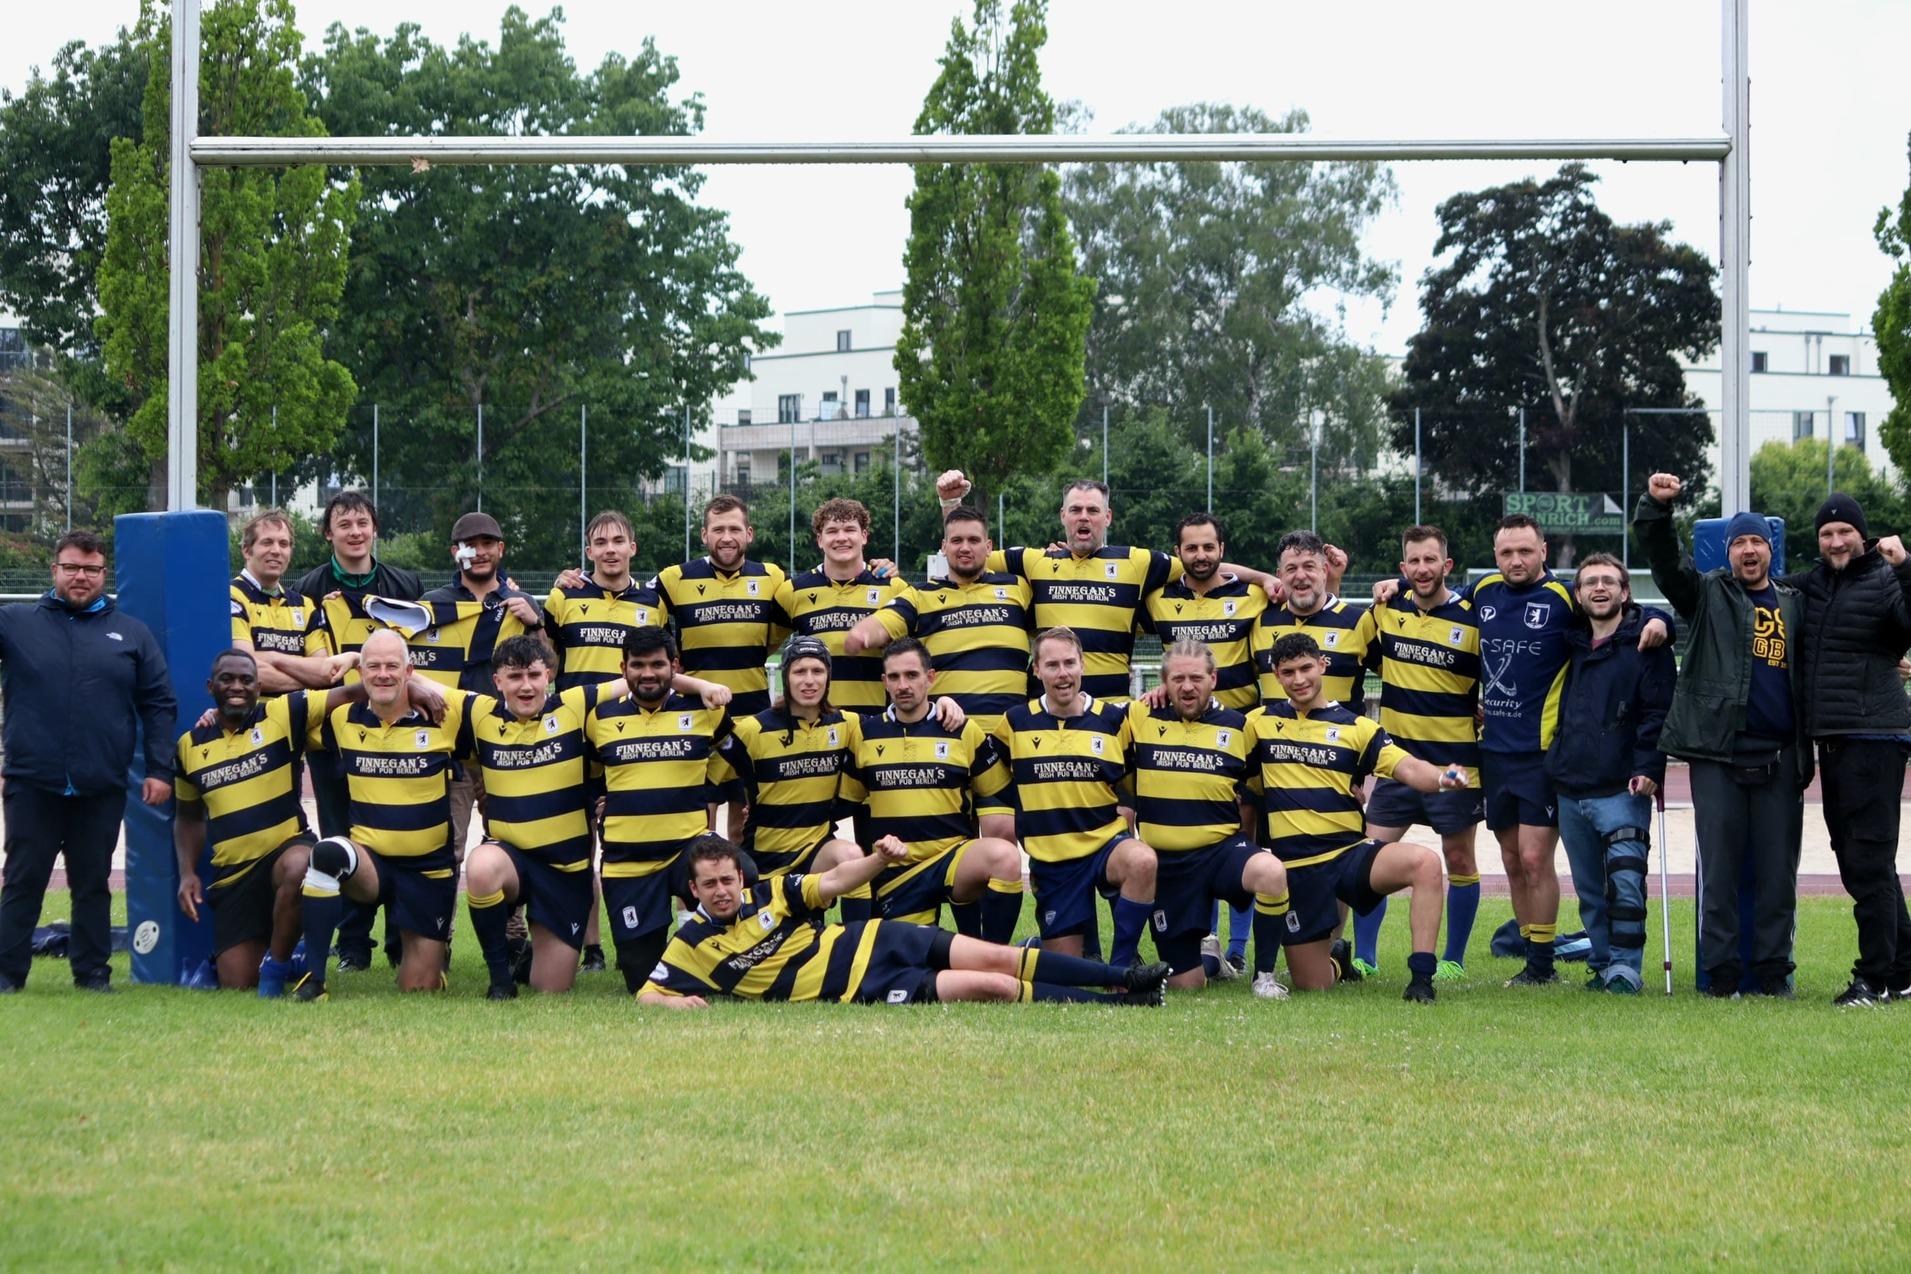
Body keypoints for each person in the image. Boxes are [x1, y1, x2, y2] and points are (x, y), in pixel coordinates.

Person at [1376, 514, 1669, 986]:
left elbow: (1614, 612)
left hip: (1540, 755)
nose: (1516, 560)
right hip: (1492, 752)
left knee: (1535, 859)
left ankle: (1542, 965)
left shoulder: (1561, 599)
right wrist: (1393, 584)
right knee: (1511, 859)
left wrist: (1659, 618)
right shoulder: (1483, 593)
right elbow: (1433, 597)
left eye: (1525, 552)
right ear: (1495, 556)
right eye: (1507, 552)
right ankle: (1535, 956)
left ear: (1543, 552)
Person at [636, 834, 1170, 1007]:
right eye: (710, 884)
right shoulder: (689, 943)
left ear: (737, 876)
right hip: (866, 985)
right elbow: (646, 995)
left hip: (878, 937)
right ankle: (1116, 1004)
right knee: (994, 985)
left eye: (728, 879)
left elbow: (838, 883)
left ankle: (1125, 979)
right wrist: (679, 1004)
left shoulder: (770, 891)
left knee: (998, 954)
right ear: (694, 890)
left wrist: (879, 859)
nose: (723, 891)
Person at [1635, 476, 1809, 997]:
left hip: (1781, 758)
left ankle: (1774, 973)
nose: (1749, 550)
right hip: (1717, 756)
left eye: (1757, 541)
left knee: (1778, 875)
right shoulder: (1708, 594)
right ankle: (1722, 975)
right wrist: (1656, 509)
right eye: (1739, 542)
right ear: (1728, 552)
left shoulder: (1797, 602)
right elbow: (1666, 562)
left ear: (1770, 549)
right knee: (1720, 874)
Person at [1243, 633, 1468, 1003]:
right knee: (1313, 984)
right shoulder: (1258, 723)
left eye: (1305, 668)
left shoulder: (1357, 728)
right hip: (1296, 869)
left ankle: (1422, 979)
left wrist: (1443, 778)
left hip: (1349, 855)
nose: (1299, 679)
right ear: (1276, 676)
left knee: (1424, 862)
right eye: (1288, 672)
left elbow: (1407, 767)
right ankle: (1337, 960)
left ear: (1322, 666)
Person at [0, 531, 176, 994]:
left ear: (104, 574)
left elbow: (158, 703)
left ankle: (93, 974)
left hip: (100, 783)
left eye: (91, 569)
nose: (82, 577)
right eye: (72, 567)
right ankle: (6, 974)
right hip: (31, 781)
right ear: (54, 570)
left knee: (92, 883)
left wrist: (160, 769)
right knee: (23, 879)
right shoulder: (15, 623)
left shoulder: (132, 634)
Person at [1777, 493, 1911, 1005]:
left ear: (1863, 535)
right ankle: (1901, 970)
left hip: (1875, 738)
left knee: (1866, 861)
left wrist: (1906, 568)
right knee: (1859, 859)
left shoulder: (1885, 577)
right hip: (1832, 742)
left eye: (1844, 533)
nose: (1835, 542)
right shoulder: (1811, 586)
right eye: (1826, 535)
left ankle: (1873, 979)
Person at [460, 635, 634, 999]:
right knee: (480, 866)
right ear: (498, 682)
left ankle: (526, 960)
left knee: (551, 988)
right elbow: (408, 679)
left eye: (534, 675)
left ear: (549, 676)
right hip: (513, 859)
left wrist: (701, 685)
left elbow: (638, 677)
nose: (525, 685)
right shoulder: (480, 713)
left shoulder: (573, 705)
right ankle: (500, 979)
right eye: (515, 676)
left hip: (565, 870)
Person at [173, 649, 357, 995]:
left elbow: (349, 693)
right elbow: (188, 816)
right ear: (210, 686)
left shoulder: (283, 713)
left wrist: (363, 662)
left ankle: (276, 968)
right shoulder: (188, 746)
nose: (237, 686)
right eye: (227, 679)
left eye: (246, 679)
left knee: (302, 864)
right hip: (234, 875)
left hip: (284, 851)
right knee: (238, 982)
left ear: (260, 687)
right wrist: (187, 872)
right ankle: (290, 957)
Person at [290, 629, 460, 1001]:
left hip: (428, 869)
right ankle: (313, 979)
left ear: (410, 671)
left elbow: (497, 722)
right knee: (328, 852)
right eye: (373, 666)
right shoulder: (339, 720)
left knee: (419, 987)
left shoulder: (444, 715)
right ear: (362, 673)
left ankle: (432, 958)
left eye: (392, 666)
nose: (383, 674)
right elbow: (271, 719)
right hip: (371, 864)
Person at [293, 490, 422, 971]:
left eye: (362, 522)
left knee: (397, 832)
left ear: (374, 529)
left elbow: (423, 652)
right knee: (341, 834)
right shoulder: (308, 587)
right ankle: (352, 944)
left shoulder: (404, 583)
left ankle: (399, 940)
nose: (354, 531)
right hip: (333, 736)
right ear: (328, 533)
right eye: (343, 524)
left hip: (397, 732)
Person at [1355, 525, 1484, 982]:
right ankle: (1364, 957)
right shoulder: (1385, 611)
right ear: (1403, 568)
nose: (1423, 569)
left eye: (1432, 560)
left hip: (1456, 767)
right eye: (1415, 561)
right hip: (1396, 766)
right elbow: (1349, 655)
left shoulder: (1472, 617)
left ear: (1446, 566)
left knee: (1460, 859)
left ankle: (1453, 958)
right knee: (1371, 856)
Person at [543, 508, 670, 971]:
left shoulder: (654, 601)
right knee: (579, 845)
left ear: (632, 548)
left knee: (622, 839)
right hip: (575, 737)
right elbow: (543, 658)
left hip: (630, 737)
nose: (610, 549)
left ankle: (633, 937)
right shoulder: (565, 595)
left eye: (619, 540)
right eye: (601, 542)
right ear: (588, 551)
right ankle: (591, 945)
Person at [1128, 640, 1292, 996]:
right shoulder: (1139, 717)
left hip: (1220, 852)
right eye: (1178, 679)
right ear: (1164, 682)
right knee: (1187, 985)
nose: (1188, 687)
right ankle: (1212, 959)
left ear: (1213, 679)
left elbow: (1257, 785)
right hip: (1167, 864)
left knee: (1270, 871)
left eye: (1196, 678)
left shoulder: (1238, 727)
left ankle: (1263, 976)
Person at [1544, 554, 1675, 994]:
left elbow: (1657, 714)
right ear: (1578, 595)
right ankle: (1601, 961)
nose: (1599, 588)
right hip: (1570, 787)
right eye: (1590, 583)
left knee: (1625, 884)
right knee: (1589, 890)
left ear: (1624, 591)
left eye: (1609, 581)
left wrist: (1649, 768)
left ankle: (1625, 968)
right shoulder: (1568, 643)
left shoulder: (1648, 645)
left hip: (1623, 787)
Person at [993, 627, 1160, 966]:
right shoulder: (1014, 723)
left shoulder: (1114, 720)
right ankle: (1038, 946)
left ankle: (1124, 966)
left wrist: (1126, 815)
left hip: (1104, 846)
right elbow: (995, 784)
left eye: (1070, 663)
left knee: (1142, 860)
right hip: (1054, 862)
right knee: (1068, 970)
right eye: (1052, 665)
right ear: (1037, 670)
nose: (1063, 673)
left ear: (1083, 665)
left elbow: (1129, 780)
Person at [839, 639, 1024, 941]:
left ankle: (994, 951)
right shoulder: (865, 733)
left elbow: (997, 791)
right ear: (884, 682)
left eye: (912, 675)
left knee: (1005, 857)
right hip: (899, 872)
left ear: (930, 677)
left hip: (951, 860)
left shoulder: (962, 729)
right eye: (895, 677)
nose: (903, 685)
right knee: (911, 959)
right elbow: (844, 802)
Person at [585, 625, 734, 994]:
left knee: (738, 868)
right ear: (623, 669)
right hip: (628, 861)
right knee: (642, 979)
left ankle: (719, 948)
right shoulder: (599, 717)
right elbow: (584, 776)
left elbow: (743, 761)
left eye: (657, 664)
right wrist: (604, 802)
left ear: (675, 667)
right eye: (638, 665)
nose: (647, 673)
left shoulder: (706, 710)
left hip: (688, 850)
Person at [845, 504, 1035, 733]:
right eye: (956, 541)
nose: (965, 547)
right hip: (946, 738)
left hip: (1010, 736)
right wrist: (862, 634)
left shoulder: (1017, 587)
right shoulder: (920, 595)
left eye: (973, 540)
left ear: (988, 547)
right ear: (944, 547)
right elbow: (883, 622)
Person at [706, 636, 873, 881]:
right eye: (799, 671)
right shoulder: (754, 729)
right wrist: (706, 837)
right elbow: (706, 783)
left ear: (828, 677)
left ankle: (854, 923)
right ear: (786, 678)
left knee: (852, 857)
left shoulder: (848, 725)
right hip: (763, 856)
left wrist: (943, 703)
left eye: (817, 671)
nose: (809, 680)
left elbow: (895, 726)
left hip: (816, 850)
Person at [647, 494, 790, 717]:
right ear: (704, 535)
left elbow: (795, 616)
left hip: (754, 717)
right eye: (718, 530)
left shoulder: (772, 576)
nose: (726, 538)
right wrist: (582, 579)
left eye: (734, 529)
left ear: (749, 534)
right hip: (695, 717)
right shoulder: (675, 578)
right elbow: (630, 598)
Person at [772, 498, 907, 717]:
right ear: (819, 540)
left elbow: (915, 653)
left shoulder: (894, 588)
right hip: (819, 724)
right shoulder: (792, 592)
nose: (841, 538)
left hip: (876, 723)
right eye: (832, 531)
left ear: (863, 536)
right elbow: (764, 647)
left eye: (850, 529)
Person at [229, 507, 354, 693]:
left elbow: (326, 672)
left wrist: (273, 658)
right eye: (267, 542)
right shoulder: (231, 596)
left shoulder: (305, 605)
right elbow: (245, 671)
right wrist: (307, 678)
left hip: (304, 719)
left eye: (284, 544)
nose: (276, 551)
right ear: (247, 551)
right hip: (253, 718)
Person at [1251, 531, 1370, 710]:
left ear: (1324, 571)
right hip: (1276, 738)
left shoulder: (1359, 621)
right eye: (1291, 568)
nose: (1300, 575)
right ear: (1279, 575)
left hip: (1342, 737)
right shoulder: (1261, 623)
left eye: (1309, 566)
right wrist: (1261, 578)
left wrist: (1400, 584)